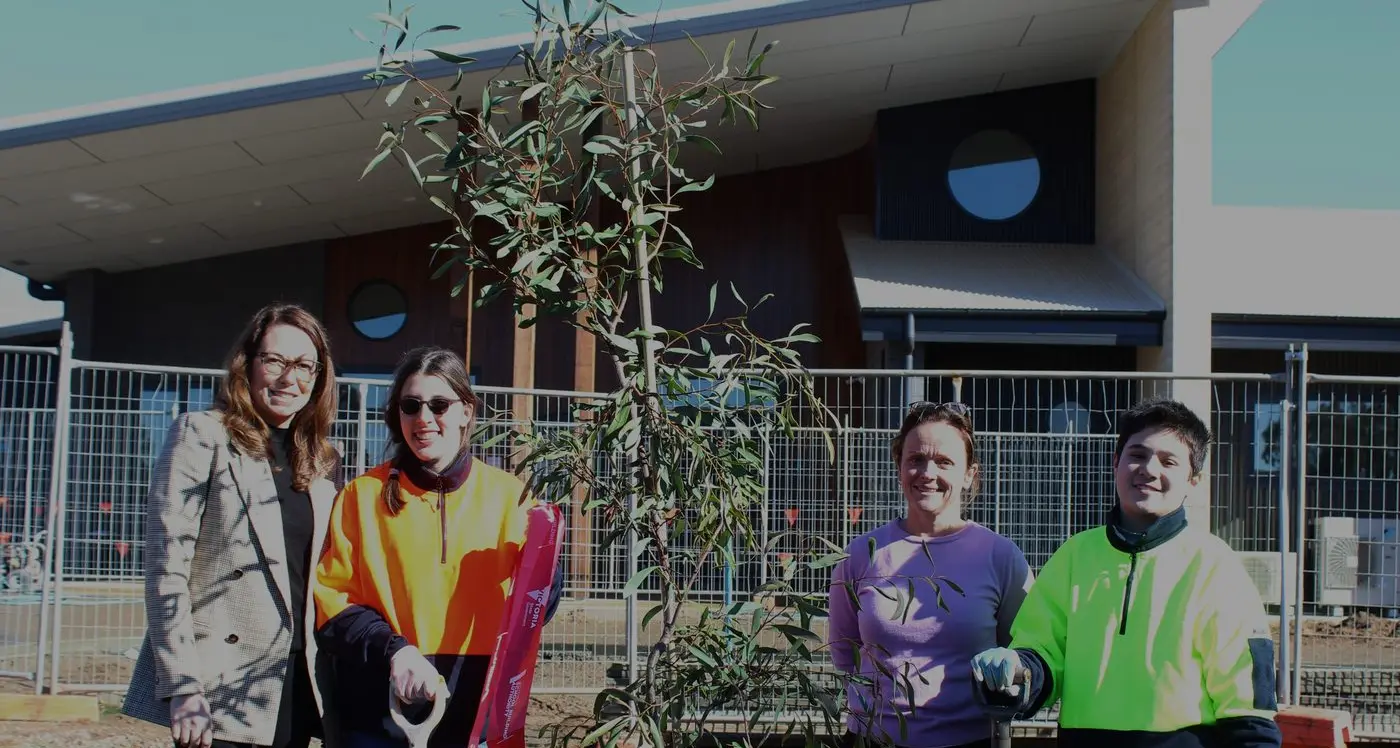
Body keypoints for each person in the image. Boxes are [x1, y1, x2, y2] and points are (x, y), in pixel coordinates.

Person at [970, 397, 1283, 747]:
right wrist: (1017, 669)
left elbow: (1244, 697)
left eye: (1169, 461)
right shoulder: (1074, 556)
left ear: (1193, 479)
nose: (1149, 469)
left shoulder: (1214, 565)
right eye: (1137, 454)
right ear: (1116, 461)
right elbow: (1042, 651)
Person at [313, 346, 563, 748]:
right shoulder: (361, 497)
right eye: (411, 405)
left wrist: (548, 574)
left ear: (466, 411)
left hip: (479, 719)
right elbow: (332, 608)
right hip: (380, 715)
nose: (424, 418)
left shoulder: (513, 499)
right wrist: (395, 652)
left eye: (439, 405)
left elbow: (533, 612)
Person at [123, 303, 345, 748]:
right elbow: (167, 569)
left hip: (297, 681)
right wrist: (183, 685)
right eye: (275, 360)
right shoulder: (202, 435)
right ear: (248, 364)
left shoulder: (323, 460)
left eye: (304, 365)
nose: (289, 378)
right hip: (219, 687)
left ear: (319, 377)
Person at [826, 400, 1034, 748]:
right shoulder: (860, 556)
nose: (928, 473)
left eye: (944, 462)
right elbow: (844, 654)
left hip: (969, 740)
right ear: (899, 466)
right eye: (916, 459)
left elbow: (1027, 651)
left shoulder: (1001, 557)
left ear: (969, 473)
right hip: (872, 739)